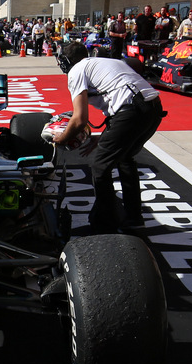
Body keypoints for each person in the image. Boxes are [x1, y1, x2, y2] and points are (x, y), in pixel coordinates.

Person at [51, 42, 165, 233]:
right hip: (152, 109)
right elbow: (122, 97)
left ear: (66, 61)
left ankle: (105, 224)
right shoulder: (105, 62)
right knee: (125, 159)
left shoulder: (76, 71)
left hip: (130, 112)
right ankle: (133, 218)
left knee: (100, 167)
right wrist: (105, 137)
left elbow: (79, 119)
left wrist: (61, 139)